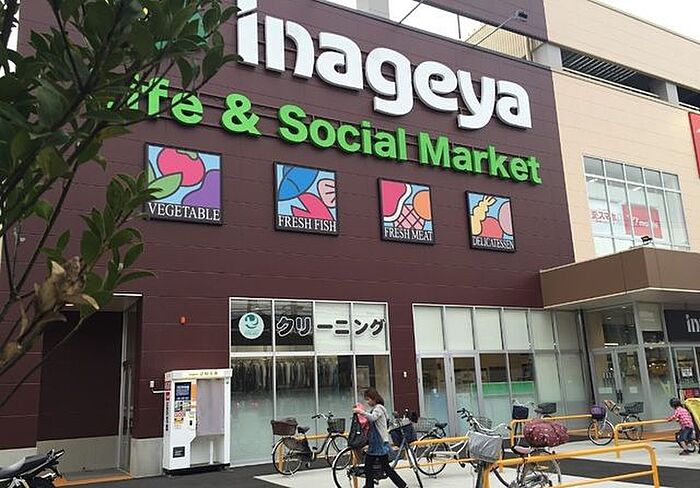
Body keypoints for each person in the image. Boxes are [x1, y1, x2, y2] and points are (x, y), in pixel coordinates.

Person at [352, 388, 407, 488]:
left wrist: (361, 412)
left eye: (368, 399)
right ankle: (401, 485)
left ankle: (370, 486)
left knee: (371, 465)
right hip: (378, 442)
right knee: (383, 467)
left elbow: (372, 417)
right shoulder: (378, 408)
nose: (367, 402)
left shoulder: (379, 408)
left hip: (378, 442)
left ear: (374, 398)